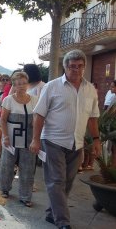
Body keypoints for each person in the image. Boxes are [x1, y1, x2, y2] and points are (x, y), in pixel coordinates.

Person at [29, 49, 101, 229]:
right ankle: (63, 221)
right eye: (72, 66)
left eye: (79, 66)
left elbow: (93, 117)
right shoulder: (51, 87)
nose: (76, 70)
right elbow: (38, 114)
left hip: (76, 144)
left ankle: (51, 214)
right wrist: (36, 140)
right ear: (65, 67)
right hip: (53, 141)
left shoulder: (90, 89)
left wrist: (96, 140)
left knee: (67, 182)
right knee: (56, 181)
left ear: (84, 67)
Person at [0, 71, 38, 207]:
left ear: (27, 84)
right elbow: (3, 120)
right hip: (12, 136)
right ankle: (4, 189)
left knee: (28, 167)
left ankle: (26, 196)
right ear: (14, 85)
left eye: (24, 83)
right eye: (18, 84)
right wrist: (5, 137)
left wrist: (36, 138)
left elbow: (37, 120)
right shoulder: (8, 100)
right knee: (7, 164)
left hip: (28, 137)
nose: (21, 86)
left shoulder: (34, 99)